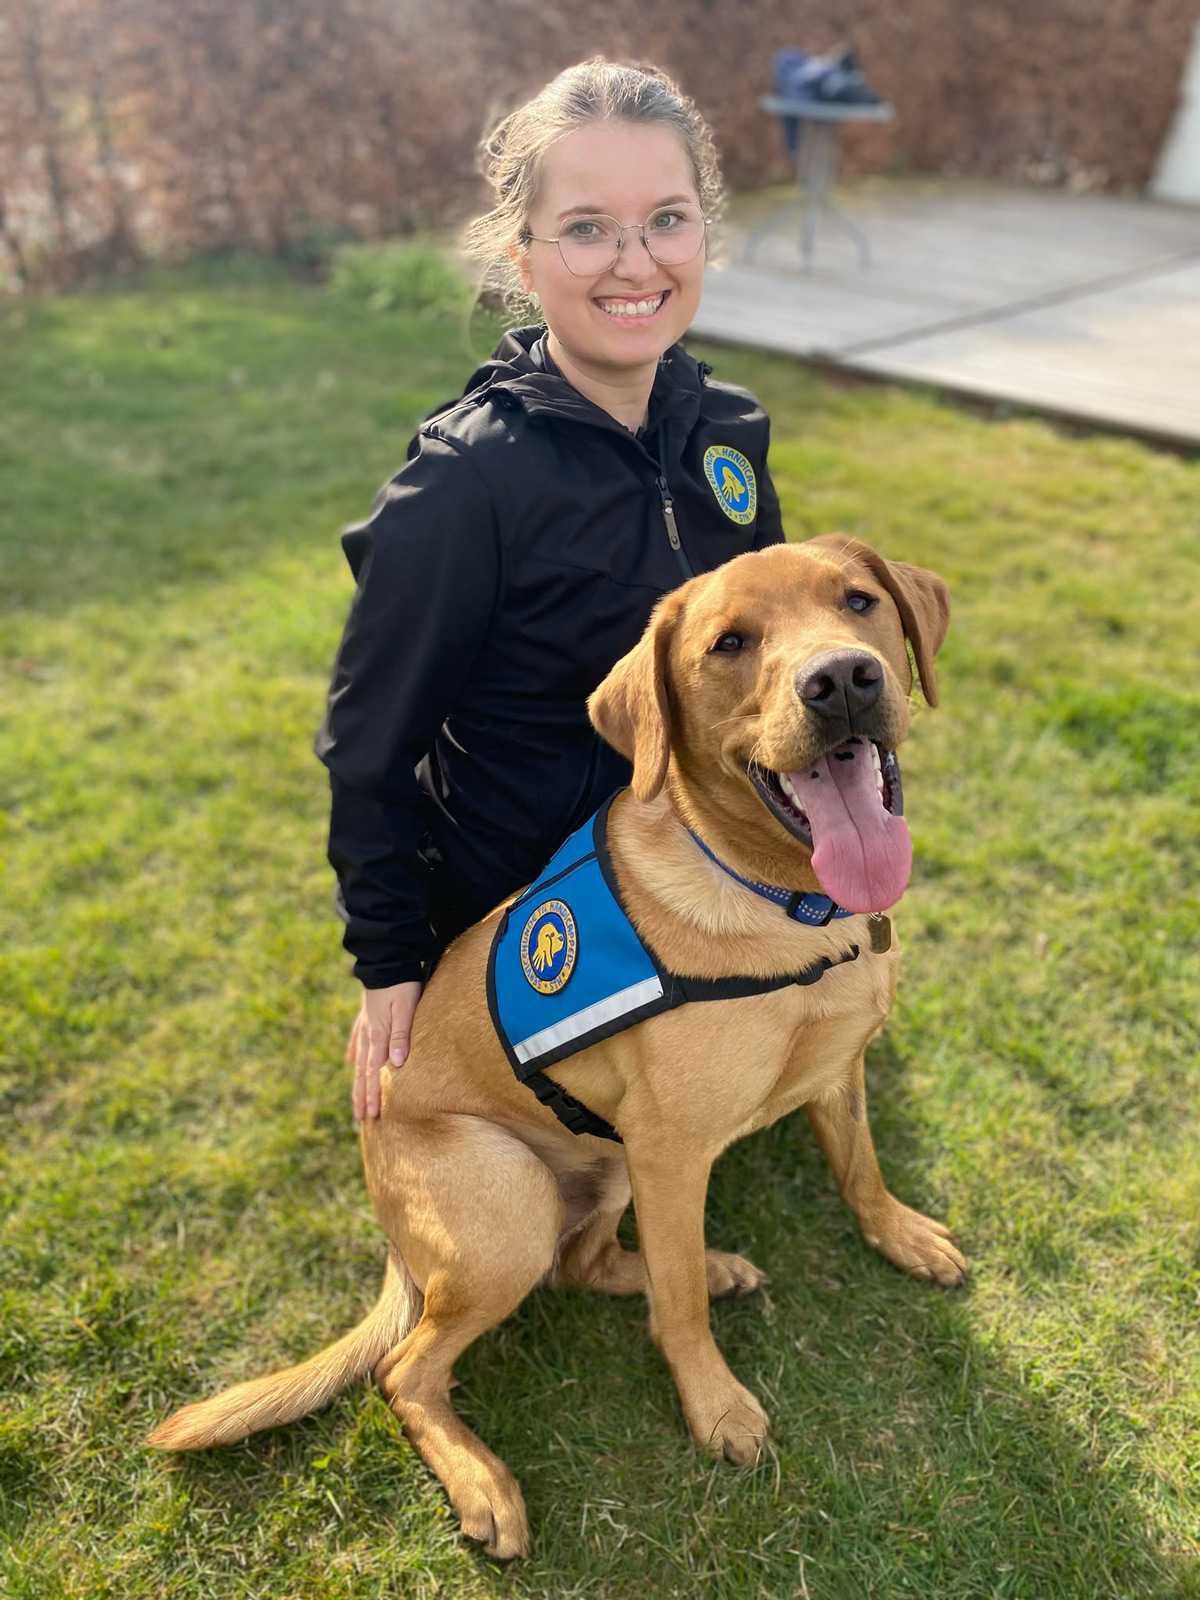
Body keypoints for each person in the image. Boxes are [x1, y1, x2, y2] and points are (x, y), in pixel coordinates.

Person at [315, 59, 786, 1122]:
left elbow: (774, 652)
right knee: (594, 1145)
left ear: (704, 232)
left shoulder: (731, 431)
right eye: (587, 228)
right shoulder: (462, 485)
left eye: (667, 218)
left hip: (698, 867)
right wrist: (393, 963)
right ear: (525, 258)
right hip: (540, 912)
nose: (635, 262)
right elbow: (369, 746)